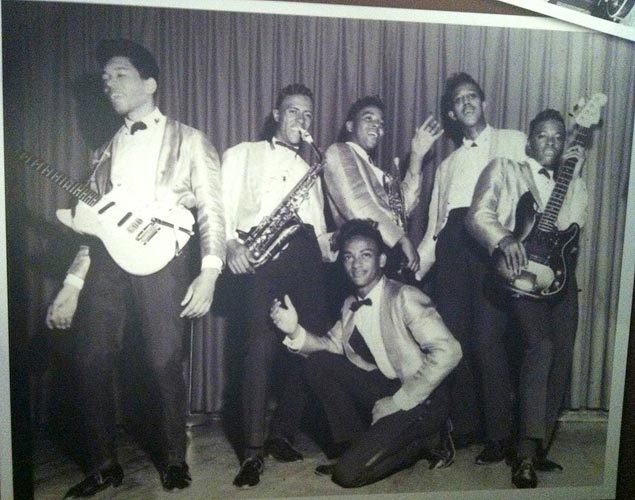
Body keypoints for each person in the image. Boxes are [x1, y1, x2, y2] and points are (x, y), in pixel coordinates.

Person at [45, 39, 225, 496]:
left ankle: (173, 459)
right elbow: (95, 227)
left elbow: (211, 209)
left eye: (119, 74)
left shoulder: (190, 139)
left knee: (164, 362)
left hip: (164, 260)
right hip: (107, 263)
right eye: (105, 78)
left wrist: (208, 271)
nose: (109, 84)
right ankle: (104, 465)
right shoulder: (102, 152)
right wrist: (72, 282)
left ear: (150, 83)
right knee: (89, 359)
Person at [270, 218, 462, 487]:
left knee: (347, 475)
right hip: (387, 387)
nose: (356, 264)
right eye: (348, 257)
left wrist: (399, 401)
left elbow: (449, 351)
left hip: (422, 398)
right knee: (318, 364)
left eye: (366, 255)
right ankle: (355, 444)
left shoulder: (404, 296)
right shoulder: (350, 305)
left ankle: (428, 441)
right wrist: (293, 331)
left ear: (382, 260)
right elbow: (327, 347)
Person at [466, 109, 587, 488]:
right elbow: (477, 215)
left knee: (560, 354)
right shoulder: (505, 167)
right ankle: (522, 453)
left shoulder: (576, 184)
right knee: (540, 346)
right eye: (543, 136)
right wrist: (503, 239)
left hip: (560, 277)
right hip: (517, 274)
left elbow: (571, 229)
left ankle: (538, 446)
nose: (550, 143)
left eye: (557, 137)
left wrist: (572, 178)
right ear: (530, 142)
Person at [221, 83, 331, 488]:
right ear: (275, 114)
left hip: (305, 255)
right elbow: (221, 210)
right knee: (259, 349)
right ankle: (251, 451)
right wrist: (231, 244)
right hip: (262, 252)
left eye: (307, 115)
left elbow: (318, 229)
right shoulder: (242, 154)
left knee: (308, 344)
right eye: (292, 112)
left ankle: (282, 433)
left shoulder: (309, 169)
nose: (301, 121)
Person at [415, 72, 527, 461]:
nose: (467, 102)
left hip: (489, 242)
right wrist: (415, 271)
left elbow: (534, 190)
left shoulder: (513, 141)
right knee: (456, 339)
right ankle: (466, 426)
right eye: (459, 99)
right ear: (451, 112)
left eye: (472, 96)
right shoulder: (446, 165)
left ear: (484, 103)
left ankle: (499, 434)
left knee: (488, 337)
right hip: (451, 247)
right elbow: (434, 227)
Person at [322, 95, 443, 280]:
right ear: (350, 126)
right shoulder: (339, 151)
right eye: (368, 118)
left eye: (380, 123)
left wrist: (417, 155)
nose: (376, 126)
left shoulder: (378, 171)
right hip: (357, 264)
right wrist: (401, 239)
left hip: (384, 259)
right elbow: (358, 203)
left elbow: (403, 209)